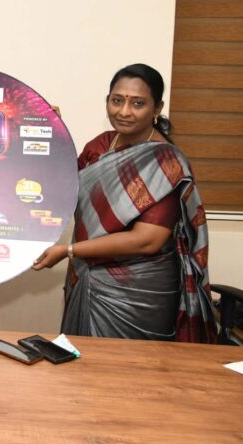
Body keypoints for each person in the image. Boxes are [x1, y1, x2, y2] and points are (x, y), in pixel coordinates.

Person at [32, 63, 215, 343]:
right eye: (117, 101)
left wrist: (68, 250)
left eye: (137, 103)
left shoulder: (166, 163)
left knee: (132, 366)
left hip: (139, 291)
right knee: (80, 360)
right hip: (85, 276)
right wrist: (50, 136)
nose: (124, 111)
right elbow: (64, 189)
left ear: (156, 108)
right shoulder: (99, 146)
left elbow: (147, 240)